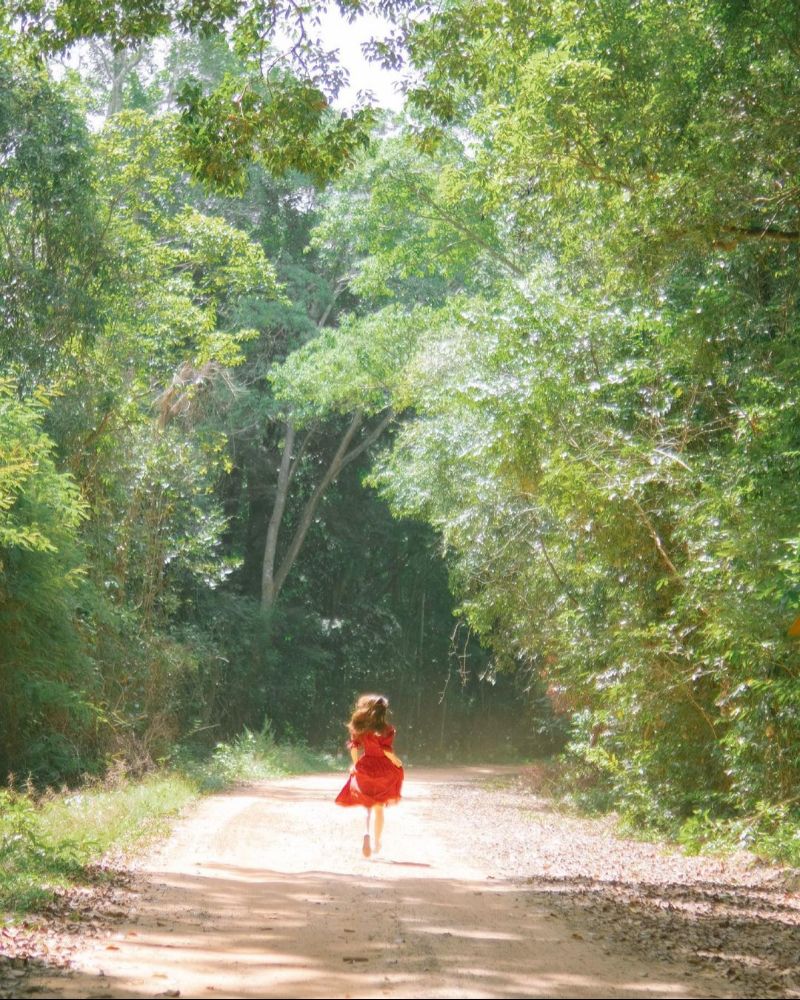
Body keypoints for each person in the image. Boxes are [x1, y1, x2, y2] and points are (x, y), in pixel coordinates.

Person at [335, 693, 404, 857]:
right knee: (379, 808)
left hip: (365, 767)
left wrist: (356, 764)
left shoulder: (360, 729)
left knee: (367, 806)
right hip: (383, 769)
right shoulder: (387, 730)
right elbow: (386, 751)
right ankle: (377, 843)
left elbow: (354, 748)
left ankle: (366, 833)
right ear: (382, 712)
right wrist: (397, 761)